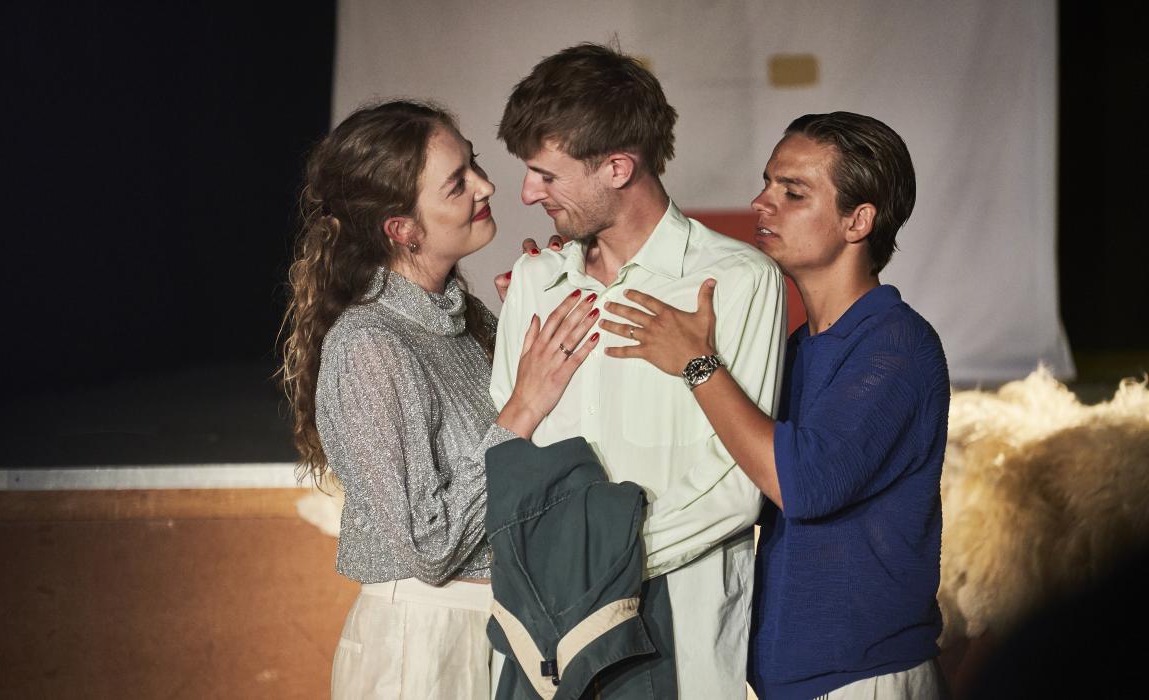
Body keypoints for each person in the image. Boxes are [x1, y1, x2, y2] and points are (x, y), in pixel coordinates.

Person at [601, 112, 950, 699]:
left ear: (858, 220)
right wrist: (565, 284)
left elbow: (802, 484)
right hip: (793, 680)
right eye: (767, 183)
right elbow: (735, 475)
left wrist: (699, 363)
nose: (762, 202)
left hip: (865, 679)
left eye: (793, 192)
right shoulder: (799, 349)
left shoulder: (898, 345)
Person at [490, 44, 788, 697]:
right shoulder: (535, 282)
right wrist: (563, 579)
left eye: (545, 174)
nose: (527, 193)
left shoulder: (737, 281)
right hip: (542, 631)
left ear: (618, 168)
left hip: (675, 626)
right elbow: (509, 465)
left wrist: (594, 566)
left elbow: (738, 487)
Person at [278, 100, 600, 700]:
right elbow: (429, 549)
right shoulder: (369, 343)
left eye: (474, 163)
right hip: (423, 644)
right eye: (458, 183)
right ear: (402, 229)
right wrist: (522, 407)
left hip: (501, 627)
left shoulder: (465, 319)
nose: (486, 185)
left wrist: (522, 325)